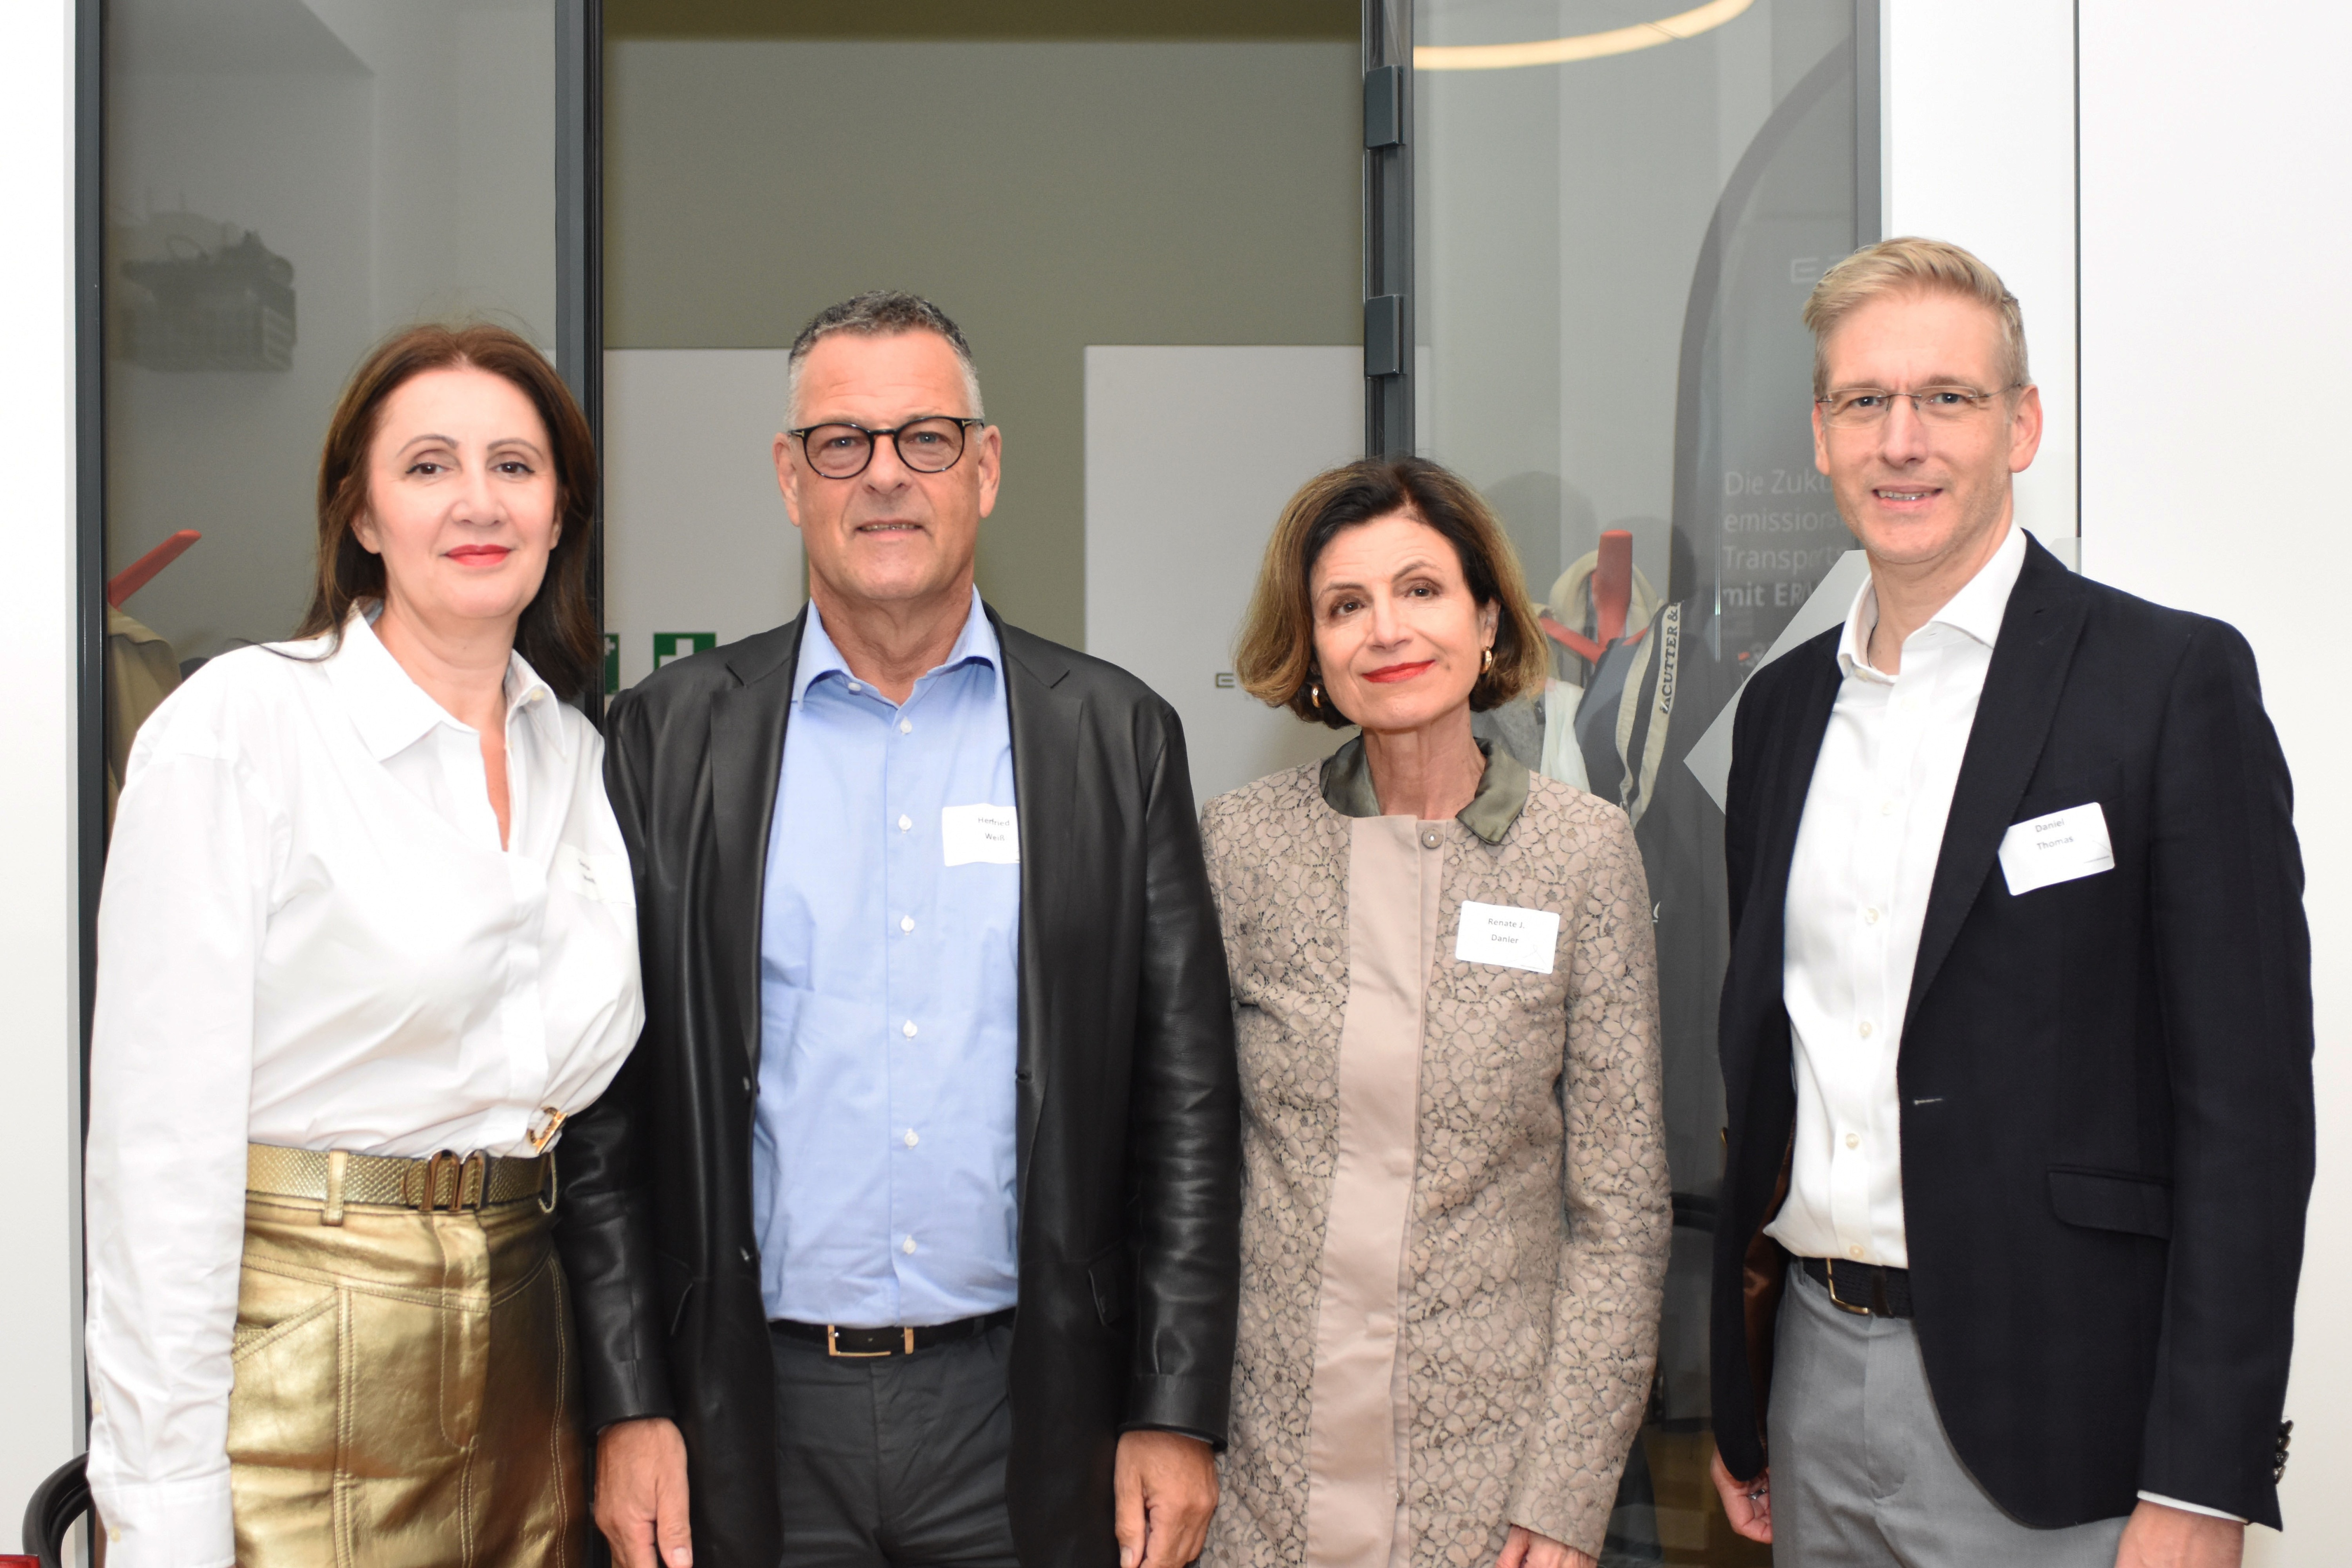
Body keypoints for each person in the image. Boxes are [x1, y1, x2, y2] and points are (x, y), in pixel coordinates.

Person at [558, 290, 1241, 1568]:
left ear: (986, 468)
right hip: (745, 1413)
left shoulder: (1113, 736)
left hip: (1033, 1409)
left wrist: (1174, 1402)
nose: (884, 474)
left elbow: (1188, 1107)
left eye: (926, 437)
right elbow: (604, 1113)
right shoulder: (666, 737)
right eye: (842, 442)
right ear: (789, 477)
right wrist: (627, 1396)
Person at [1706, 237, 2313, 1567]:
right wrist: (1742, 1394)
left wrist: (2202, 1478)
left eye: (1948, 397)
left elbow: (2249, 1119)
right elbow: (1769, 1065)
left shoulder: (2166, 683)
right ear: (1821, 436)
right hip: (1812, 1380)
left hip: (2067, 1424)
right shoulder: (1781, 712)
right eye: (1864, 401)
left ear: (2021, 425)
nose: (1902, 439)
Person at [84, 323, 642, 1568]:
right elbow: (157, 1155)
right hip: (293, 1369)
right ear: (362, 513)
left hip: (528, 1373)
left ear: (560, 512)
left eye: (514, 465)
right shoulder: (242, 727)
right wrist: (161, 1501)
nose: (478, 501)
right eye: (429, 465)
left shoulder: (576, 754)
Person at [1200, 458, 1672, 1568]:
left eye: (1421, 589)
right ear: (1313, 647)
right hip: (1263, 1474)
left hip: (1493, 1487)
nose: (1386, 631)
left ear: (1488, 618)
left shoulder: (1581, 853)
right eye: (1344, 605)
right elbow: (1177, 1169)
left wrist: (1565, 1490)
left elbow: (1619, 1213)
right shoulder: (1240, 845)